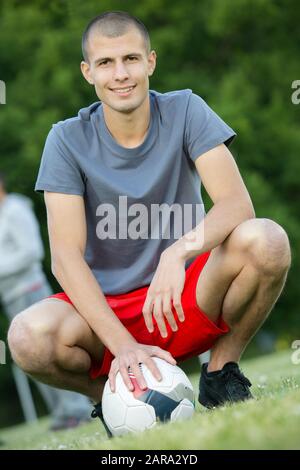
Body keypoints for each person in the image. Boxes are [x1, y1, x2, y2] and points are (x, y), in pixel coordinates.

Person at [7, 11, 291, 437]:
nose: (121, 74)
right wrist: (122, 346)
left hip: (184, 295)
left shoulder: (186, 109)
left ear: (151, 62)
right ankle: (117, 396)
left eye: (131, 59)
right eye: (106, 63)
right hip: (106, 313)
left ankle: (220, 373)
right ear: (88, 72)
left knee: (267, 240)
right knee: (26, 336)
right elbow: (65, 258)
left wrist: (177, 253)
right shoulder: (65, 139)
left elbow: (235, 205)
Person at [0, 172, 91, 430]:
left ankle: (76, 409)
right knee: (28, 353)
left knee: (44, 348)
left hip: (29, 289)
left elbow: (32, 251)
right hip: (11, 294)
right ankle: (64, 413)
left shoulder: (15, 210)